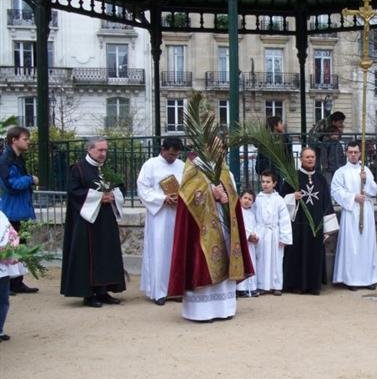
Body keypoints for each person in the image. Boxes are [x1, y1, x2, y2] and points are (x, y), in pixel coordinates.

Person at [167, 153, 253, 321]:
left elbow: (232, 193)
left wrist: (226, 198)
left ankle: (224, 309)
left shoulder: (224, 167)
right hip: (201, 228)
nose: (218, 148)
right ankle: (201, 312)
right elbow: (187, 194)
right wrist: (210, 194)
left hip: (223, 222)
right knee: (202, 264)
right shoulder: (193, 166)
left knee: (225, 258)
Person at [60, 137, 126, 307]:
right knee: (88, 255)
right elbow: (74, 191)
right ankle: (88, 294)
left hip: (106, 218)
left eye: (105, 150)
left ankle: (104, 291)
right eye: (100, 150)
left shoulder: (107, 168)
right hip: (87, 221)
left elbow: (120, 186)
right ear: (89, 149)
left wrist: (113, 195)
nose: (104, 153)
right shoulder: (78, 169)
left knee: (106, 253)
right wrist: (99, 198)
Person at [281, 147, 337, 295]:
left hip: (316, 225)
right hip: (298, 225)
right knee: (297, 253)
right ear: (300, 159)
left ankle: (313, 285)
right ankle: (297, 285)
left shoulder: (321, 179)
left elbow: (327, 203)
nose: (310, 159)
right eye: (307, 157)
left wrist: (328, 228)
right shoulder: (292, 177)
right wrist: (293, 196)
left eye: (312, 157)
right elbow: (281, 201)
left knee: (314, 253)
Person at [136, 137, 185, 305]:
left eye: (176, 155)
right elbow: (143, 189)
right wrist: (162, 198)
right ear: (163, 150)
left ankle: (176, 289)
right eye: (171, 154)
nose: (173, 158)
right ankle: (159, 292)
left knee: (176, 251)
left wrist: (182, 197)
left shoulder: (182, 166)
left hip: (178, 214)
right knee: (160, 252)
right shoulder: (150, 165)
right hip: (160, 216)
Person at [331, 141, 377, 290]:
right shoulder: (341, 172)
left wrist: (366, 180)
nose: (353, 155)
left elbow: (374, 190)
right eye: (350, 152)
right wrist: (353, 197)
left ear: (360, 154)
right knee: (351, 246)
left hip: (366, 211)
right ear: (346, 153)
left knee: (367, 245)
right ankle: (351, 279)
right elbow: (335, 191)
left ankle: (368, 279)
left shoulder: (366, 170)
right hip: (351, 212)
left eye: (355, 152)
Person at [0, 126, 38, 294]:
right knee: (9, 247)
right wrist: (30, 179)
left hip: (18, 209)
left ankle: (17, 282)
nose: (28, 141)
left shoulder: (17, 158)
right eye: (25, 138)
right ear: (14, 140)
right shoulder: (5, 160)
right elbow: (11, 185)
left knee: (20, 246)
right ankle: (6, 284)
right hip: (10, 210)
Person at [254, 170, 292, 296]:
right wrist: (253, 233)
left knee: (276, 259)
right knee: (261, 259)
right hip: (261, 233)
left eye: (268, 182)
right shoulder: (257, 199)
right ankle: (261, 285)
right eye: (263, 182)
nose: (265, 184)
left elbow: (285, 219)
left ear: (274, 183)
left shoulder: (279, 200)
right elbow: (252, 217)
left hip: (274, 234)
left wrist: (284, 237)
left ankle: (276, 285)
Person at [0, 211, 25, 343]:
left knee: (3, 299)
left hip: (2, 266)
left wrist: (12, 249)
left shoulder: (1, 215)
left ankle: (0, 328)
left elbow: (12, 233)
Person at [255, 115, 292, 189]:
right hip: (270, 167)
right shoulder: (267, 138)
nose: (283, 125)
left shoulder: (283, 137)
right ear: (275, 126)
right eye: (280, 123)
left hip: (276, 168)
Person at [236, 190, 259, 297]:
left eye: (250, 199)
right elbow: (238, 227)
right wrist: (247, 235)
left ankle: (251, 287)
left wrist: (255, 236)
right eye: (245, 198)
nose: (247, 201)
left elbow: (255, 227)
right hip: (241, 244)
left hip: (250, 245)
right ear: (240, 199)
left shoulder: (252, 215)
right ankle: (240, 289)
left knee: (251, 264)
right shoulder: (237, 212)